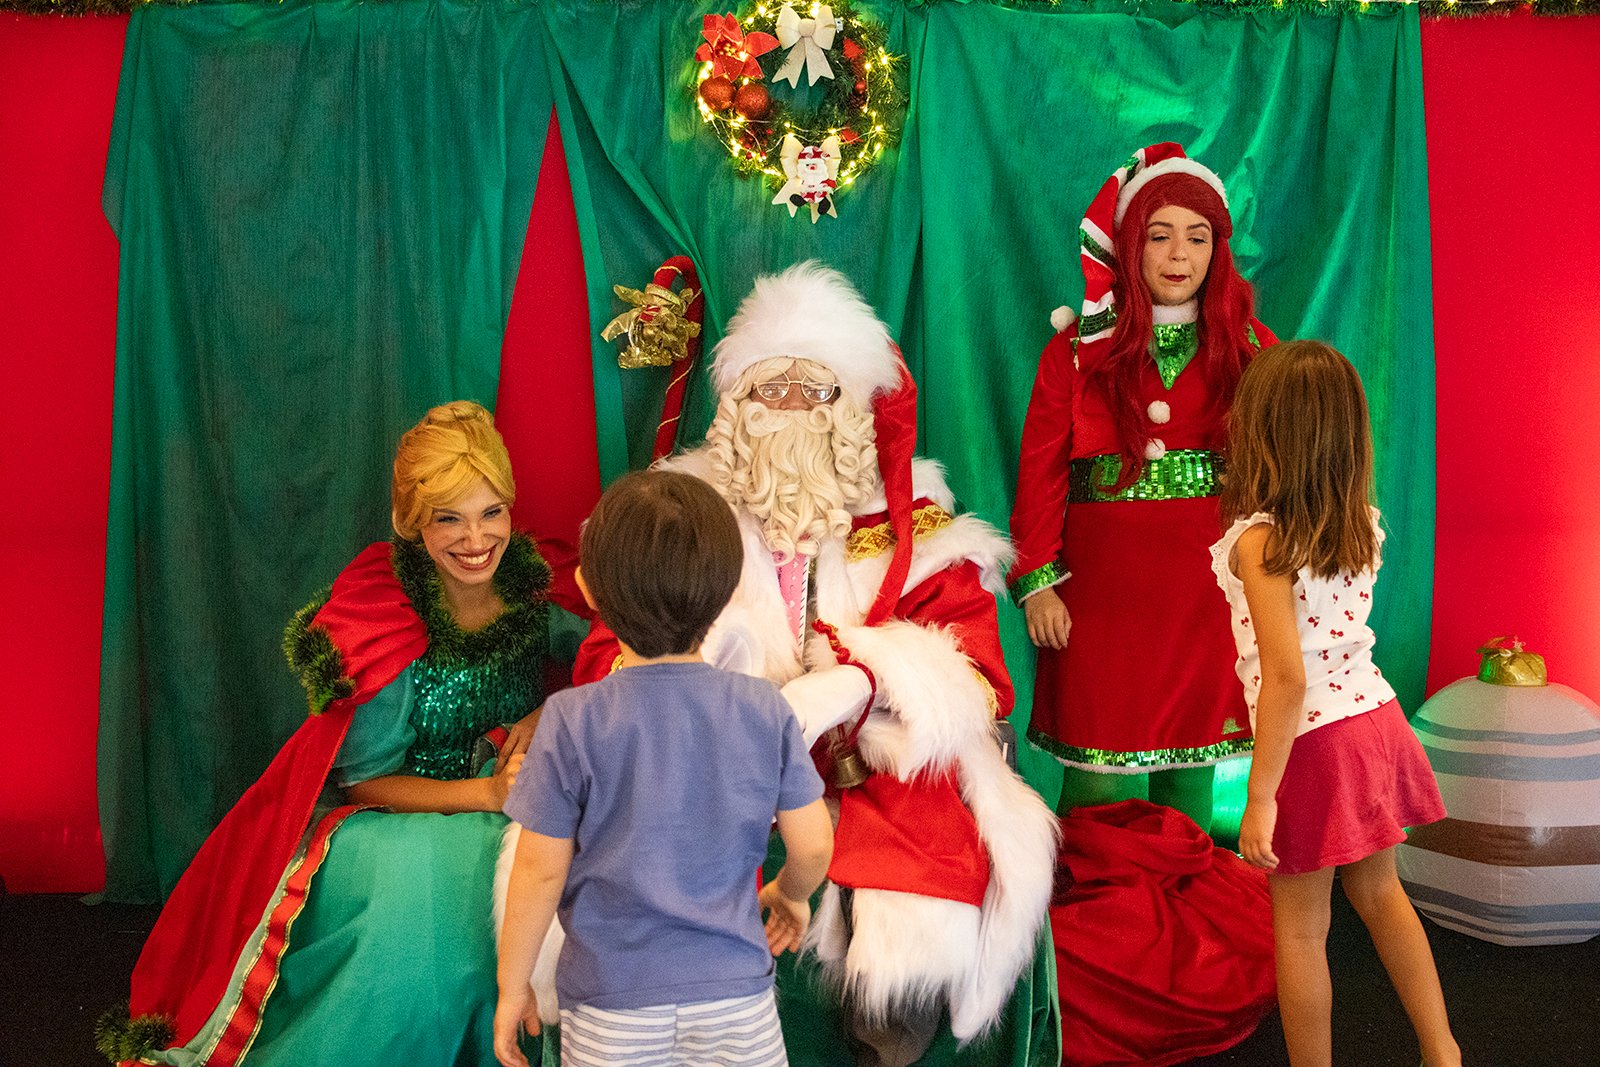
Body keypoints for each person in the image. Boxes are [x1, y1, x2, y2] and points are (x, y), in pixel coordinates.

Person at [568, 262, 1058, 1067]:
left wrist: (858, 680)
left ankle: (886, 1033)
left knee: (919, 897)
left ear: (852, 409)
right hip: (714, 757)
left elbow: (976, 674)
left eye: (815, 389)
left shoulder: (914, 521)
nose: (792, 406)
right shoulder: (677, 512)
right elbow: (611, 641)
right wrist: (698, 690)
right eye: (773, 387)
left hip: (874, 766)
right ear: (736, 404)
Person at [102, 401, 555, 1067]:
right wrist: (485, 795)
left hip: (509, 801)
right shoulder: (385, 617)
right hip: (400, 820)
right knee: (437, 897)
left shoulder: (537, 589)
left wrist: (545, 715)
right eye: (447, 518)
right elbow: (365, 780)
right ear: (413, 523)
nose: (475, 538)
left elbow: (600, 669)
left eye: (491, 512)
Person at [493, 469, 834, 1067]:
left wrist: (513, 984)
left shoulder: (572, 720)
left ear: (587, 589)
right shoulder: (764, 709)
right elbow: (811, 845)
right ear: (727, 592)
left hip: (609, 1008)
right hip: (737, 1001)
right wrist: (790, 895)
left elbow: (539, 872)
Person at [1009, 142, 1278, 831]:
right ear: (1130, 245)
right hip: (1100, 596)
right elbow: (1041, 470)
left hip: (1207, 594)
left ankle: (1187, 891)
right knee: (1096, 778)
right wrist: (1038, 582)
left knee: (1192, 770)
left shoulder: (1251, 349)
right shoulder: (1076, 351)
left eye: (1197, 236)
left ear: (1218, 249)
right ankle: (1094, 895)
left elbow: (1281, 466)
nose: (1179, 254)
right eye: (1159, 236)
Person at [1211, 341, 1460, 1067]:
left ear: (1263, 432)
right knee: (1383, 895)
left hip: (1313, 743)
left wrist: (1260, 796)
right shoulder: (1359, 523)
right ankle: (1443, 1050)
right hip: (1376, 719)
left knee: (1299, 928)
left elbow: (1287, 679)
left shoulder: (1260, 543)